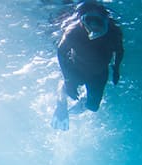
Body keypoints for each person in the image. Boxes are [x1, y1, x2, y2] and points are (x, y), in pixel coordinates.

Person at [51, 1, 124, 131]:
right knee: (68, 87)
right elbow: (61, 52)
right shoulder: (73, 31)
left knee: (93, 107)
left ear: (106, 21)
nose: (93, 27)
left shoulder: (114, 33)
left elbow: (119, 51)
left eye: (98, 21)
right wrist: (68, 79)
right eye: (89, 20)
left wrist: (116, 69)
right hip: (76, 67)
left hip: (99, 73)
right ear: (82, 20)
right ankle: (61, 102)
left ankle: (73, 109)